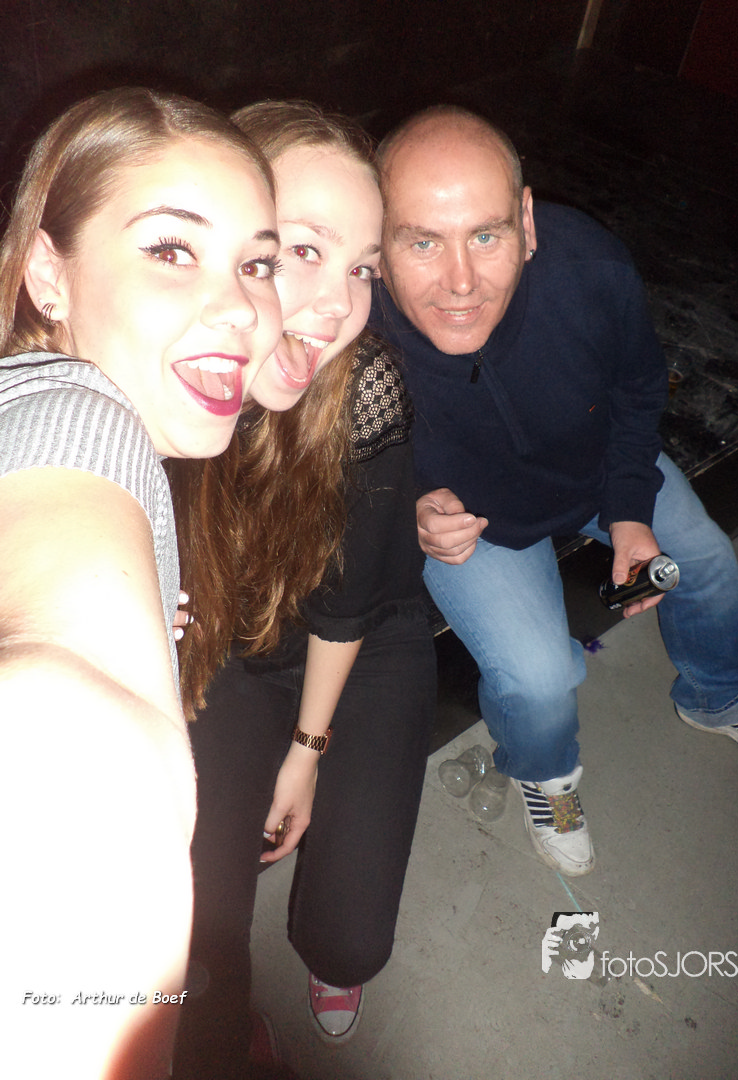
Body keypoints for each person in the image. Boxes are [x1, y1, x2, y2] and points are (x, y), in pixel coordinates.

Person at [370, 104, 738, 878]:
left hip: (597, 467)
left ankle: (716, 695)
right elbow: (331, 463)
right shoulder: (350, 328)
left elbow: (639, 388)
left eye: (486, 235)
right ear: (376, 245)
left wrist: (630, 511)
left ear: (527, 222)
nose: (461, 282)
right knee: (540, 678)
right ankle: (545, 775)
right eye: (423, 242)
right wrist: (407, 506)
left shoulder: (590, 266)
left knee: (704, 559)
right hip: (472, 524)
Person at [0, 87, 283, 1079]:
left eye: (256, 263)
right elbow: (63, 736)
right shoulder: (87, 418)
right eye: (171, 249)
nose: (244, 307)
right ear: (49, 272)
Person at [170, 102, 435, 1078]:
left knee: (351, 939)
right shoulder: (161, 378)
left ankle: (330, 955)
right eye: (303, 250)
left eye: (361, 267)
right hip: (235, 650)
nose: (337, 305)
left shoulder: (363, 387)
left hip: (361, 638)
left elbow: (348, 599)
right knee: (196, 931)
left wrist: (306, 753)